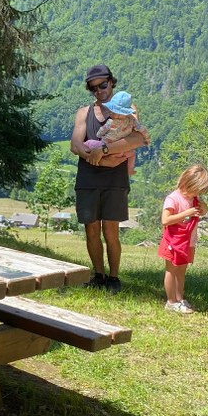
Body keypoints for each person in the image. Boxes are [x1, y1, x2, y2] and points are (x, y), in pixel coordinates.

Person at [70, 64, 146, 293]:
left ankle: (114, 278)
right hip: (88, 178)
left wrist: (102, 150)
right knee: (91, 230)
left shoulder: (128, 108)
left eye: (103, 85)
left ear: (111, 82)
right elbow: (75, 145)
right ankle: (98, 275)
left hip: (115, 180)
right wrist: (99, 159)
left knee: (111, 230)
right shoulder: (84, 113)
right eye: (94, 88)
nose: (99, 91)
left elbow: (137, 139)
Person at [157, 164, 208, 314]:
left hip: (188, 241)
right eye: (196, 190)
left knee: (181, 270)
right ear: (187, 183)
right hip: (174, 241)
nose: (197, 194)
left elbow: (201, 212)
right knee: (172, 270)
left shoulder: (194, 198)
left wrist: (204, 209)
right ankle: (171, 301)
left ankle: (179, 299)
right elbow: (165, 220)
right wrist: (187, 213)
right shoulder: (173, 199)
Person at [82, 90, 149, 176]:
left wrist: (99, 135)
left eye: (114, 112)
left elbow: (102, 130)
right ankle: (130, 170)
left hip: (107, 144)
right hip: (122, 149)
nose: (112, 114)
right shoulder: (132, 120)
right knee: (132, 154)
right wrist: (146, 138)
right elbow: (141, 129)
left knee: (89, 143)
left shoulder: (111, 122)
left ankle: (88, 150)